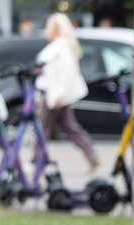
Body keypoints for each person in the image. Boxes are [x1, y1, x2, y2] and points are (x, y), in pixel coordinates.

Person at [35, 13, 100, 173]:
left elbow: (67, 74)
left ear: (57, 29)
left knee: (42, 128)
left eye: (49, 26)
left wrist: (58, 95)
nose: (46, 30)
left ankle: (35, 162)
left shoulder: (61, 47)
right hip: (52, 95)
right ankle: (93, 157)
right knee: (70, 127)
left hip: (53, 96)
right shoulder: (57, 46)